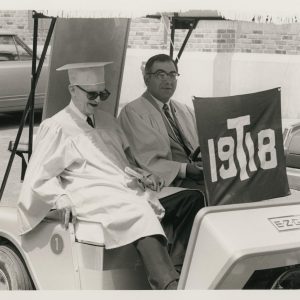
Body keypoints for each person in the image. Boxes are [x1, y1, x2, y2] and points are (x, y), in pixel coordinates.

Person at [17, 62, 205, 290]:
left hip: (125, 187)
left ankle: (179, 270)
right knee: (139, 211)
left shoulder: (107, 121)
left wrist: (143, 173)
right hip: (90, 192)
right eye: (92, 94)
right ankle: (167, 285)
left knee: (190, 199)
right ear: (72, 89)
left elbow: (124, 162)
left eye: (102, 94)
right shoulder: (56, 127)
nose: (97, 100)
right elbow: (39, 175)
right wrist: (59, 198)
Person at [118, 54, 205, 194]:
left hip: (196, 177)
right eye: (161, 75)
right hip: (164, 184)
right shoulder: (133, 112)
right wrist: (185, 169)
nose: (168, 81)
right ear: (147, 79)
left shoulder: (185, 110)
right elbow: (145, 160)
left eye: (172, 75)